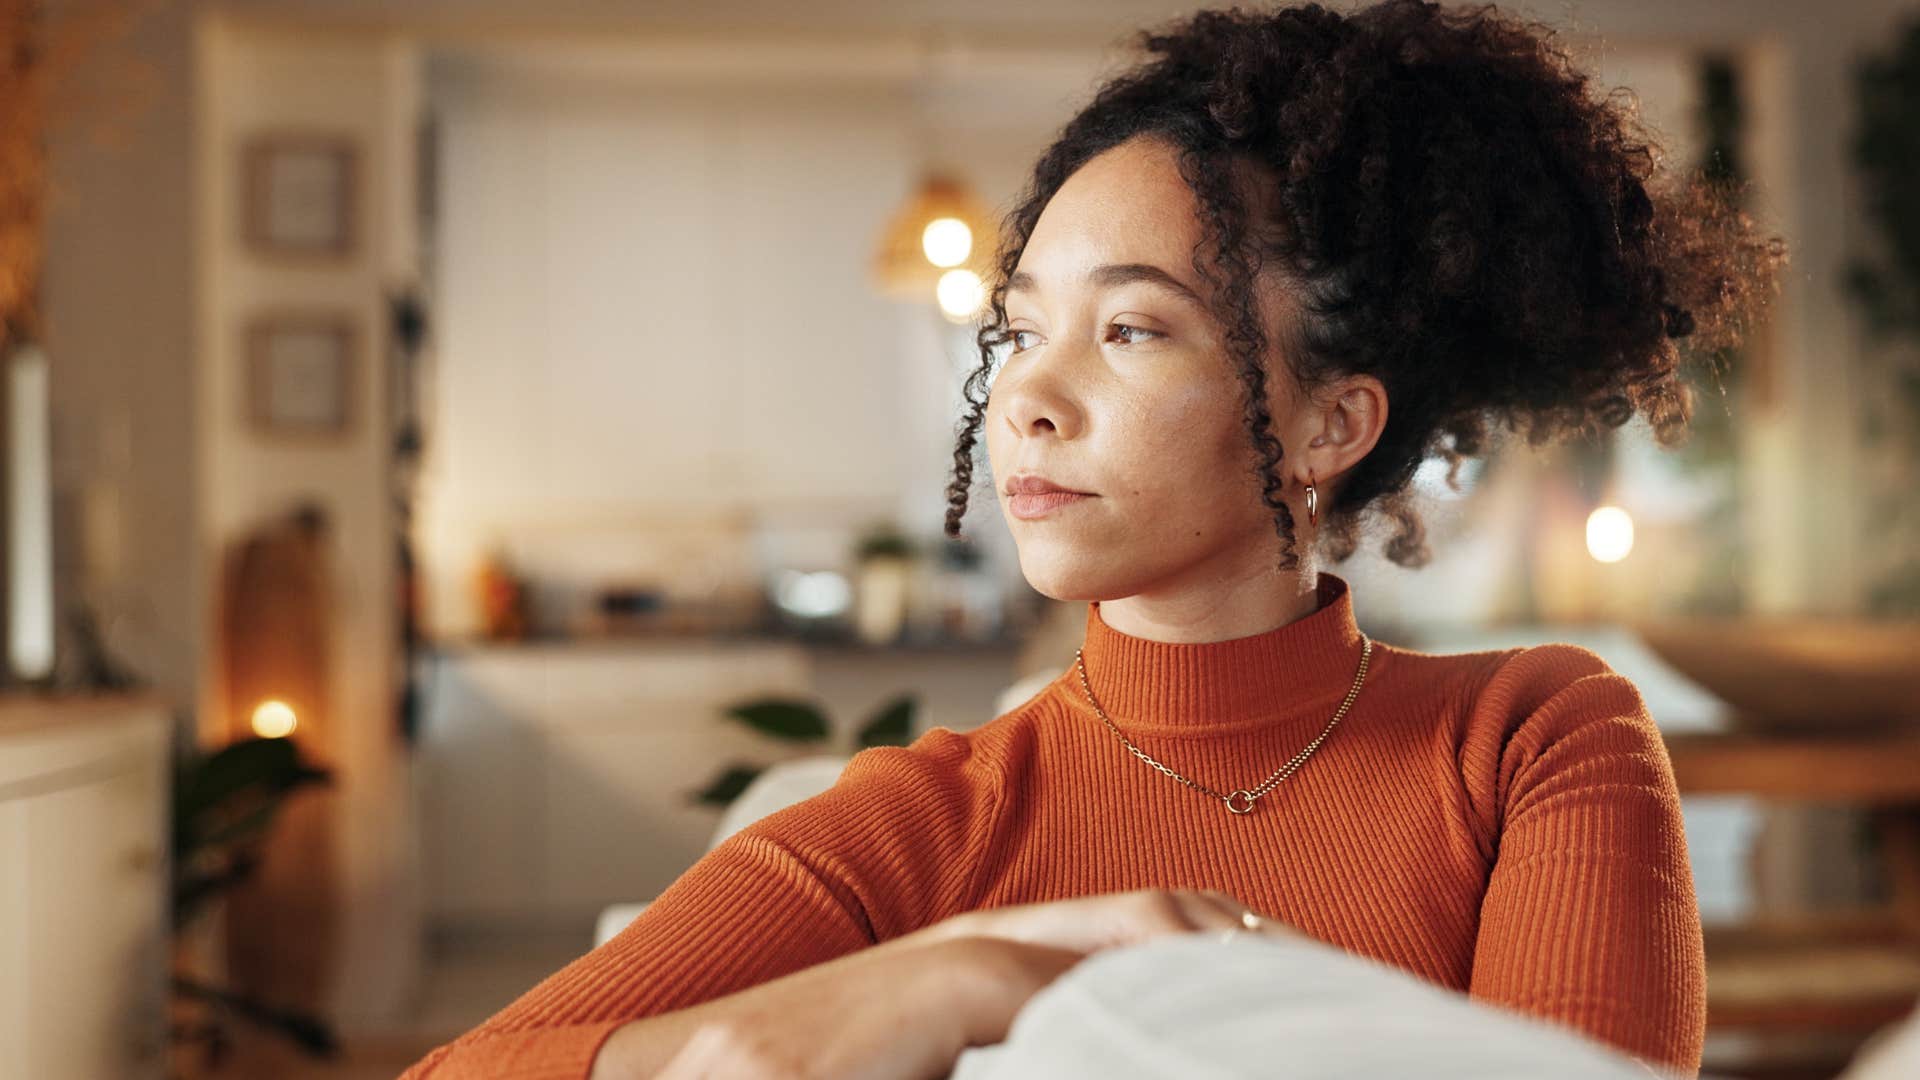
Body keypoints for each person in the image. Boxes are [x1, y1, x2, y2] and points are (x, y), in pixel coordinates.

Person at [401, 2, 1784, 1077]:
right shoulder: (919, 823)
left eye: (1129, 329)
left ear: (1330, 424)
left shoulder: (1534, 740)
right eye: (1019, 330)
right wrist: (953, 977)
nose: (1028, 399)